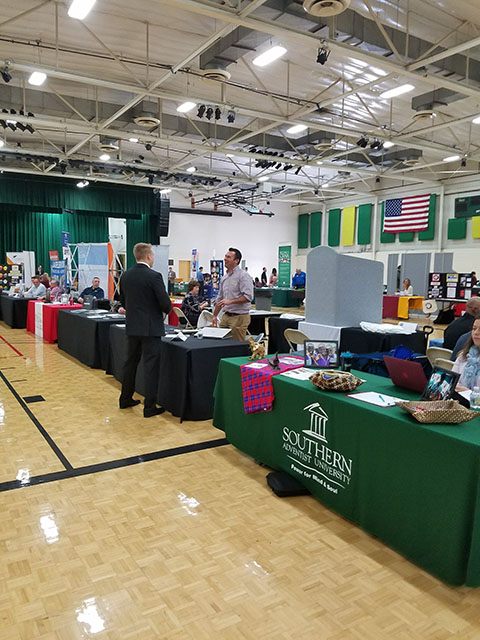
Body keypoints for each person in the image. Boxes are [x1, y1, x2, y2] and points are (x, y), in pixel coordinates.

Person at [118, 242, 171, 418]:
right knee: (151, 367)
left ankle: (125, 398)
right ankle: (149, 407)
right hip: (150, 329)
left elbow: (124, 302)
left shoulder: (125, 276)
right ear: (148, 256)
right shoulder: (154, 276)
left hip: (132, 326)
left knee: (130, 364)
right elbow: (165, 304)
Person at [212, 247, 253, 342]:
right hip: (226, 316)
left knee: (236, 346)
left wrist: (230, 301)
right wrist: (214, 316)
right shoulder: (224, 278)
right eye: (225, 256)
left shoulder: (243, 276)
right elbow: (220, 299)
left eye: (228, 257)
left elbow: (248, 296)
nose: (225, 259)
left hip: (239, 317)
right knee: (221, 343)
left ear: (236, 261)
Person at [452, 314, 480, 392]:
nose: (476, 333)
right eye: (474, 329)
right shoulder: (463, 355)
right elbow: (453, 382)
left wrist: (469, 394)